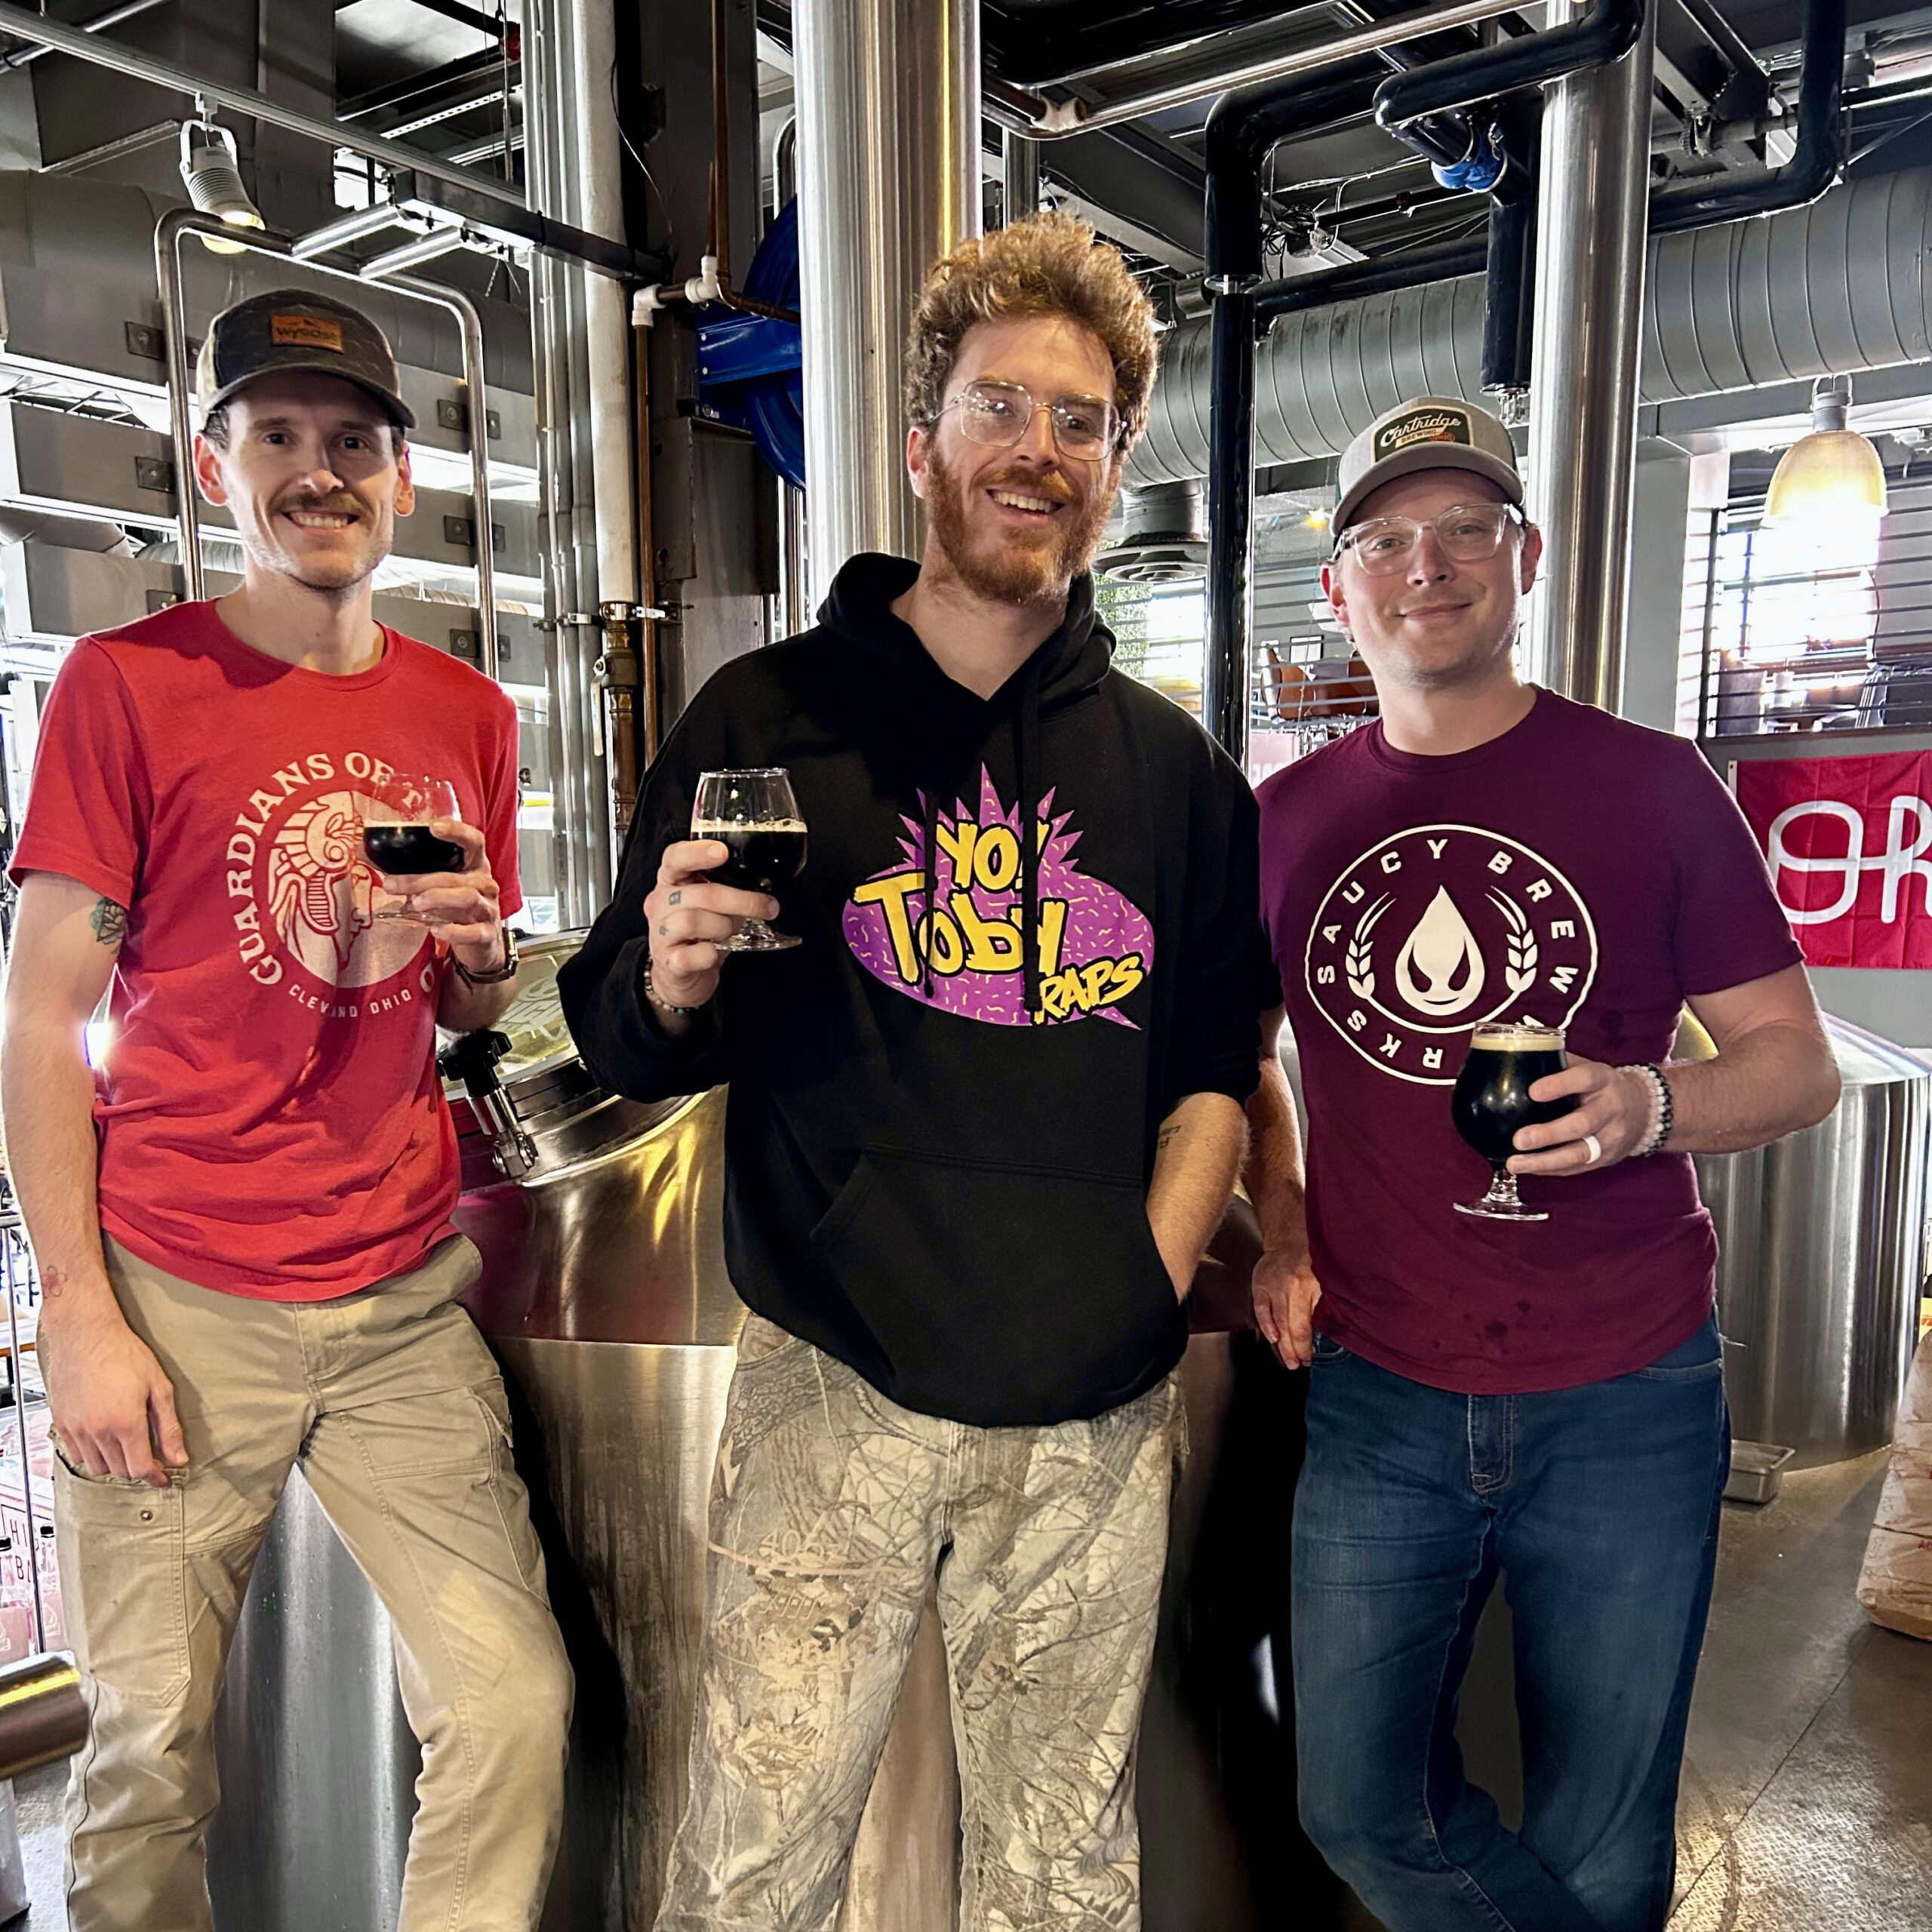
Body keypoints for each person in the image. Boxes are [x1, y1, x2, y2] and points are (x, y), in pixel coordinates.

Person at [560, 211, 1265, 1930]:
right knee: (754, 1857)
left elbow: (1209, 1071)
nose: (1039, 449)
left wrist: (1140, 1278)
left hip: (1088, 1405)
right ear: (920, 443)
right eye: (1000, 405)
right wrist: (661, 980)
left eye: (1081, 420)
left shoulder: (1176, 773)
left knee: (1059, 1875)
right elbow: (618, 1026)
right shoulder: (761, 719)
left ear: (1111, 462)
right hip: (833, 1383)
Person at [1, 288, 572, 1932]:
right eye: (277, 439)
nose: (317, 473)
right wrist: (79, 1312)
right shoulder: (126, 687)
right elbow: (43, 1015)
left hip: (401, 1297)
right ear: (212, 468)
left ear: (404, 479)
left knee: (511, 1704)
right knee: (147, 1749)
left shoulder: (465, 710)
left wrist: (466, 964)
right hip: (182, 1290)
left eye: (352, 444)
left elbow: (463, 1006)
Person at [1245, 395, 1841, 1932]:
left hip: (1623, 1389)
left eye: (1459, 531)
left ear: (1518, 560)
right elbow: (1234, 1054)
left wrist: (1647, 1105)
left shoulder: (1650, 787)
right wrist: (1282, 1221)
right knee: (1352, 1802)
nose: (1421, 565)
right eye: (1383, 538)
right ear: (1337, 588)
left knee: (1601, 1835)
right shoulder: (1282, 820)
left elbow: (1794, 1063)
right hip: (1378, 1384)